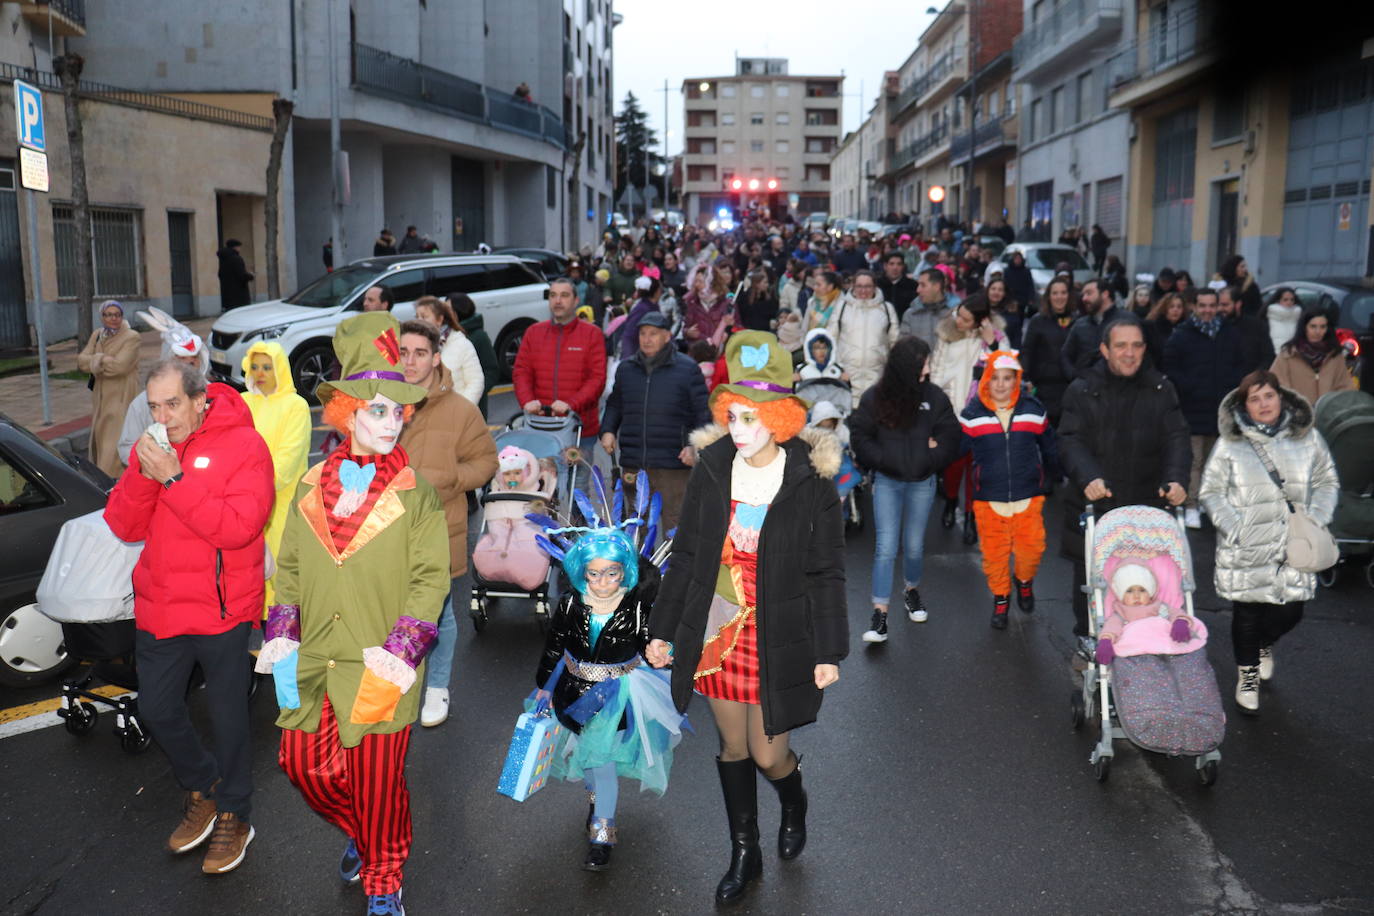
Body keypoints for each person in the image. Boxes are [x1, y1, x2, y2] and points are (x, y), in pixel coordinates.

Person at [645, 331, 847, 907]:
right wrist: (661, 631)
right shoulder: (712, 469)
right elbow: (686, 556)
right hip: (716, 629)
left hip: (781, 633)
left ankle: (793, 797)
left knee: (767, 753)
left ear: (781, 418)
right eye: (731, 415)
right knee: (733, 747)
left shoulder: (811, 481)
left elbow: (828, 572)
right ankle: (744, 850)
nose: (738, 429)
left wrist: (828, 650)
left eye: (752, 417)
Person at [258, 313, 448, 914]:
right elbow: (287, 569)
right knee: (301, 765)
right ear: (346, 410)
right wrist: (283, 637)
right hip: (310, 656)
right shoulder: (314, 483)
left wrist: (398, 656)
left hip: (378, 660)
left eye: (398, 410)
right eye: (377, 409)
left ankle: (384, 879)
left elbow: (430, 582)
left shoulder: (416, 494)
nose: (391, 421)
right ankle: (364, 835)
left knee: (377, 781)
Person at [104, 361, 275, 874]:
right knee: (156, 709)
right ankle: (204, 785)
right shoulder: (152, 449)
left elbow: (238, 529)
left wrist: (174, 479)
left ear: (201, 400)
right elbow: (124, 524)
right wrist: (144, 470)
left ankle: (236, 814)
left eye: (172, 403)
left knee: (228, 719)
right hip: (160, 604)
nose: (163, 416)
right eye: (154, 406)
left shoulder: (245, 445)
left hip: (221, 609)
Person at [530, 518, 685, 872]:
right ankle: (596, 803)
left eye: (611, 574)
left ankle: (602, 835)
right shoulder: (569, 606)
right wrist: (544, 685)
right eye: (594, 574)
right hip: (572, 692)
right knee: (588, 759)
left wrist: (662, 650)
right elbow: (554, 647)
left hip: (618, 697)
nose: (602, 582)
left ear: (625, 572)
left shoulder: (636, 607)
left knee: (601, 764)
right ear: (580, 572)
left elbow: (650, 641)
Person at [1199, 370, 1338, 714]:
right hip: (1247, 544)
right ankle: (1247, 674)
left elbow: (1327, 480)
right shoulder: (1230, 444)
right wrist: (1235, 528)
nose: (1264, 404)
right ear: (1244, 405)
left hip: (1295, 543)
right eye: (1255, 398)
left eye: (1269, 396)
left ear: (1281, 397)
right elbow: (1211, 491)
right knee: (1246, 611)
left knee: (1291, 610)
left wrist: (1315, 519)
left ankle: (1265, 643)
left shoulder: (1307, 438)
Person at [1057, 314, 1191, 655]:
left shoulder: (1162, 389)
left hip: (1147, 506)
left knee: (1150, 582)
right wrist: (1088, 477)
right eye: (1121, 346)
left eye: (1136, 345)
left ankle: (1147, 646)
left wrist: (1176, 478)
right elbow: (1070, 439)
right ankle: (1090, 644)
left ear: (1145, 349)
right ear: (1104, 349)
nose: (1129, 353)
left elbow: (1176, 437)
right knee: (1091, 583)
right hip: (1096, 504)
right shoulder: (1083, 390)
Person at [396, 320, 498, 727]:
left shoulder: (460, 409)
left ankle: (437, 686)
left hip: (440, 527)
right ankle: (401, 676)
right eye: (403, 352)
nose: (411, 361)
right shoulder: (384, 402)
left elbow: (487, 462)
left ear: (436, 358)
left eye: (420, 353)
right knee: (393, 609)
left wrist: (451, 479)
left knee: (440, 614)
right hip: (388, 531)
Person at [850, 336, 960, 642]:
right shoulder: (876, 397)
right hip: (887, 481)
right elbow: (860, 434)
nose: (928, 366)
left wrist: (931, 457)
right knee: (885, 547)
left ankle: (911, 589)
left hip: (922, 481)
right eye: (923, 360)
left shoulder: (934, 397)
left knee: (913, 546)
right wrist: (884, 460)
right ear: (908, 365)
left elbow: (951, 433)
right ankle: (880, 614)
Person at [959, 351, 1058, 628]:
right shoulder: (972, 416)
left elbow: (1050, 446)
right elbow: (953, 450)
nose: (1001, 385)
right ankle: (1001, 600)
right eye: (995, 378)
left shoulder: (1033, 410)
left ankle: (1024, 583)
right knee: (995, 556)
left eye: (1008, 378)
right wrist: (929, 448)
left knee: (1031, 551)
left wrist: (1055, 473)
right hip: (989, 499)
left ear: (1017, 381)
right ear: (986, 380)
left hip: (1029, 495)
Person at [600, 312, 711, 530]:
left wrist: (694, 447)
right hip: (634, 463)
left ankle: (676, 566)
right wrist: (608, 430)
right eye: (643, 334)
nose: (647, 339)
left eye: (653, 334)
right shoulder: (626, 369)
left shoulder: (687, 369)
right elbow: (615, 404)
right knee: (634, 527)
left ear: (667, 336)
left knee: (675, 528)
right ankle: (638, 566)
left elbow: (703, 414)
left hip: (674, 465)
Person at [1163, 287, 1245, 529]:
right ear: (1195, 307)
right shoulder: (1182, 334)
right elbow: (1170, 366)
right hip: (1192, 408)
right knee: (1194, 461)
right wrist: (1191, 387)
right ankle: (1190, 505)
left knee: (1215, 462)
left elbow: (1240, 363)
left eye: (1212, 305)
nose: (1208, 310)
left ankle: (1209, 504)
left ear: (1218, 306)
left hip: (1222, 409)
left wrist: (1231, 388)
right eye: (1203, 305)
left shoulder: (1229, 333)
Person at [240, 341, 312, 607]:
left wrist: (247, 486)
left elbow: (287, 461)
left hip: (283, 503)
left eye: (267, 367)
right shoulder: (243, 401)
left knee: (282, 574)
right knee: (249, 576)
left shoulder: (296, 405)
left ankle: (284, 638)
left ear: (279, 368)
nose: (260, 373)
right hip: (245, 505)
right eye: (256, 366)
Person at [930, 295, 1008, 542]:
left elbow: (1006, 372)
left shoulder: (996, 339)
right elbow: (937, 373)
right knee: (953, 467)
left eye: (965, 318)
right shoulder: (947, 334)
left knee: (977, 470)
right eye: (958, 314)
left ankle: (971, 516)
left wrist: (992, 344)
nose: (958, 321)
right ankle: (951, 502)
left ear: (979, 321)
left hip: (985, 415)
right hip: (953, 414)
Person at [513, 277, 607, 447]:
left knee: (576, 474)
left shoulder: (592, 334)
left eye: (564, 295)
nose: (558, 301)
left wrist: (571, 404)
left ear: (576, 301)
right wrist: (527, 401)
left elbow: (597, 379)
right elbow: (521, 372)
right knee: (538, 474)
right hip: (538, 426)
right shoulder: (533, 332)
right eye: (553, 295)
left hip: (579, 429)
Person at [119, 308, 210, 464]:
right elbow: (127, 448)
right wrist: (155, 462)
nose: (190, 363)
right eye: (181, 359)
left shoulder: (214, 394)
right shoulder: (143, 403)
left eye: (194, 357)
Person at [77, 300, 142, 476]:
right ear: (102, 316)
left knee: (113, 443)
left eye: (117, 314)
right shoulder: (98, 334)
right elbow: (82, 361)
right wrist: (102, 359)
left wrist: (96, 361)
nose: (113, 318)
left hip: (121, 396)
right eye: (108, 314)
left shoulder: (132, 337)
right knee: (101, 439)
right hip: (101, 399)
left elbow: (121, 367)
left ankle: (110, 480)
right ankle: (108, 479)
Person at [826, 270, 899, 407]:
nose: (863, 290)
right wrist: (836, 369)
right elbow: (830, 341)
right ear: (853, 286)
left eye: (867, 286)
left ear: (875, 287)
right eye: (859, 286)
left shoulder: (887, 309)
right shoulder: (841, 308)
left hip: (877, 379)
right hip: (846, 378)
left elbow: (894, 344)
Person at [1018, 278, 1077, 427]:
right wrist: (1026, 377)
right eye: (1055, 293)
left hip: (1071, 387)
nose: (1059, 297)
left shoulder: (1078, 321)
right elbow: (1027, 351)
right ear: (1048, 296)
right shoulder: (1037, 321)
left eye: (1063, 293)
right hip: (1044, 387)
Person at [1269, 305, 1355, 407]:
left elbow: (1345, 387)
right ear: (1304, 327)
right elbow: (1276, 384)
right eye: (1313, 326)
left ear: (1328, 329)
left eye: (1323, 327)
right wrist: (1294, 405)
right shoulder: (1288, 354)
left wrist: (1334, 406)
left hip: (1328, 415)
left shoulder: (1335, 356)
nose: (1318, 332)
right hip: (1297, 415)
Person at [414, 296, 484, 406]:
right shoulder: (414, 348)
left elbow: (476, 381)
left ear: (439, 319)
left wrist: (463, 410)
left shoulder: (461, 344)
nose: (419, 321)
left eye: (424, 316)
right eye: (417, 316)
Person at [1059, 279, 1123, 380]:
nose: (1084, 298)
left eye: (1089, 293)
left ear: (1105, 294)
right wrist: (1074, 377)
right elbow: (1065, 354)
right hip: (1086, 389)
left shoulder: (1127, 322)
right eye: (1083, 295)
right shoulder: (1080, 324)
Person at [450, 293, 500, 416]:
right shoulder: (447, 335)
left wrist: (475, 391)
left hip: (474, 407)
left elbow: (491, 371)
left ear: (457, 312)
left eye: (448, 309)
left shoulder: (478, 337)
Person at [1219, 284, 1276, 374]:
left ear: (1238, 304)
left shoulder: (1256, 326)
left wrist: (1256, 377)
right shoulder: (1214, 327)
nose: (1220, 309)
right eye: (1218, 305)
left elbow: (1268, 356)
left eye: (1225, 305)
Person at [682, 261, 735, 347]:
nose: (696, 284)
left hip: (720, 352)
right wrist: (687, 332)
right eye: (695, 281)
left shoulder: (726, 303)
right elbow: (684, 327)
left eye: (700, 281)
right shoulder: (692, 302)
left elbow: (737, 327)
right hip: (698, 351)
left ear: (711, 283)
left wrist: (728, 333)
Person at [899, 268, 958, 345]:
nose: (918, 290)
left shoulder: (955, 313)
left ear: (937, 286)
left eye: (923, 285)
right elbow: (902, 346)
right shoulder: (910, 314)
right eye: (918, 285)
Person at [619, 275, 664, 359]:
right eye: (660, 288)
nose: (661, 291)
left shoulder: (653, 307)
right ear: (656, 291)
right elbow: (630, 334)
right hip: (637, 355)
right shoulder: (642, 309)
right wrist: (629, 358)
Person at [1144, 292, 1189, 369]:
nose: (1175, 310)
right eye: (1171, 306)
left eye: (1179, 307)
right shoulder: (1153, 328)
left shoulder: (1187, 329)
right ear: (1164, 308)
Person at [735, 267, 779, 333]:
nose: (767, 285)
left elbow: (773, 313)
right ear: (757, 284)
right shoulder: (745, 297)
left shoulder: (769, 298)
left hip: (764, 332)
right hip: (748, 331)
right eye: (765, 282)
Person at [876, 251, 918, 319]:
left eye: (899, 264)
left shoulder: (913, 285)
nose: (895, 267)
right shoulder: (877, 285)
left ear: (903, 266)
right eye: (891, 264)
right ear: (885, 266)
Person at [216, 239, 254, 310]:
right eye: (239, 247)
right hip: (239, 294)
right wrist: (251, 276)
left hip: (227, 292)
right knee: (240, 313)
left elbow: (220, 274)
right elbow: (241, 276)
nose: (240, 249)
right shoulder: (236, 259)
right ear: (235, 247)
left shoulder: (223, 258)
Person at [1265, 287, 1303, 355]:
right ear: (1278, 300)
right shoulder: (1267, 318)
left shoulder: (1300, 317)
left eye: (1292, 300)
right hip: (1275, 356)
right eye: (1285, 300)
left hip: (1296, 354)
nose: (1289, 302)